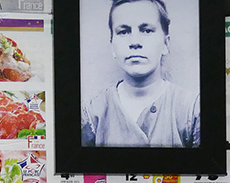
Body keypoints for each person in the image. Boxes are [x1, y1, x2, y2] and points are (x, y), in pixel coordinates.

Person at [82, 0, 201, 148]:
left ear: (165, 44)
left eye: (147, 30)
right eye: (123, 32)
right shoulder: (93, 113)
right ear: (112, 46)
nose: (135, 42)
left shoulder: (191, 109)